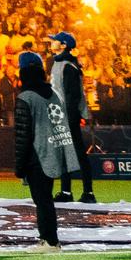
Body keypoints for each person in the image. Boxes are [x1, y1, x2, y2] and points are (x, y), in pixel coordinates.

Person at [11, 50, 77, 248]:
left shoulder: (26, 98)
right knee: (46, 199)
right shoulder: (53, 94)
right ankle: (50, 238)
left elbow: (22, 135)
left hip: (36, 157)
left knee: (42, 201)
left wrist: (19, 165)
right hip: (52, 153)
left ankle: (49, 240)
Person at [49, 32, 98, 205]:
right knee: (63, 154)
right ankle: (66, 191)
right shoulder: (59, 63)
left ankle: (88, 191)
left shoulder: (68, 66)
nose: (51, 43)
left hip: (67, 115)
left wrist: (68, 118)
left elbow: (72, 96)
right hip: (61, 115)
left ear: (63, 45)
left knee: (77, 152)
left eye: (55, 41)